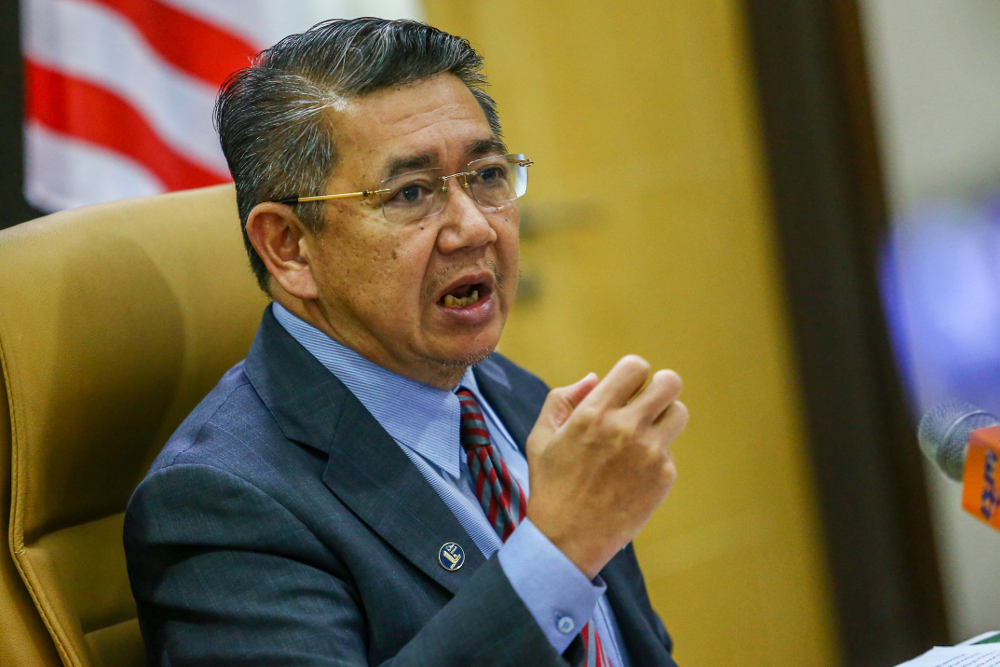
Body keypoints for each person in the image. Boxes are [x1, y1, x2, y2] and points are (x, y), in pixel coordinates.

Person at [124, 17, 687, 667]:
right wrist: (556, 551)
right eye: (412, 192)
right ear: (289, 246)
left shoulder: (516, 398)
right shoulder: (220, 500)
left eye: (486, 175)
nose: (474, 227)